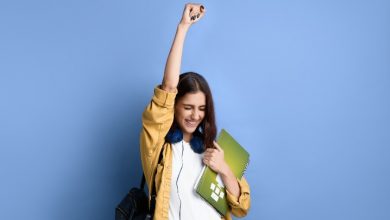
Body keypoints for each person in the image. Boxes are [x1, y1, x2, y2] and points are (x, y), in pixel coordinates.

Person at [139, 3, 251, 220]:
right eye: (188, 107)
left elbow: (241, 207)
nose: (195, 115)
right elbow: (169, 88)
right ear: (175, 105)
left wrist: (224, 169)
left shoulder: (215, 149)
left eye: (201, 109)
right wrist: (183, 28)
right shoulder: (158, 147)